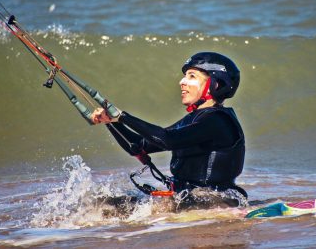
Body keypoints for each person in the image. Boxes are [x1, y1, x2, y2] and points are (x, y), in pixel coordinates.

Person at [91, 52, 247, 209]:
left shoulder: (218, 120)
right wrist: (111, 122)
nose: (182, 82)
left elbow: (168, 140)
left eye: (191, 76)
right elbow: (138, 146)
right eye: (185, 76)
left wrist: (123, 117)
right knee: (106, 204)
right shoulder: (194, 119)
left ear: (216, 85)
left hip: (215, 202)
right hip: (189, 200)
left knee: (115, 209)